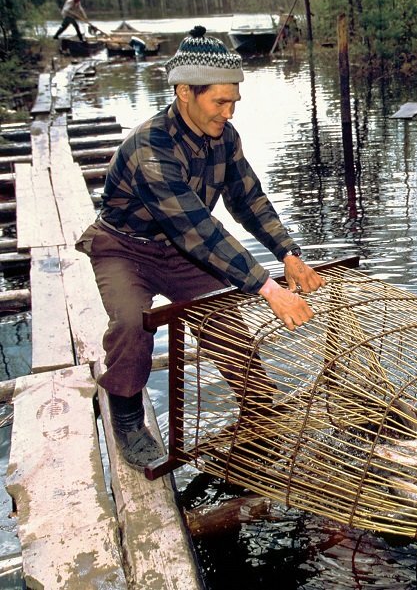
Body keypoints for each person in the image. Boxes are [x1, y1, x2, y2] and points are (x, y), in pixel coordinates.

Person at [75, 25, 326, 471]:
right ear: (185, 92)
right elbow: (197, 228)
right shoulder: (150, 148)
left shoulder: (225, 138)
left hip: (180, 251)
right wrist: (268, 288)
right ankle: (129, 421)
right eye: (220, 102)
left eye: (234, 103)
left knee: (222, 319)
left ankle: (259, 410)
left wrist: (288, 253)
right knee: (133, 323)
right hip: (125, 249)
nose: (228, 113)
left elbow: (248, 198)